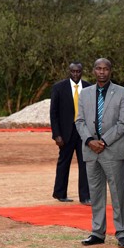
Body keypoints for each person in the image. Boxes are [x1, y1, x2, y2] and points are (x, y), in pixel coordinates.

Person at [75, 58, 124, 247]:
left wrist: (104, 141)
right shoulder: (85, 93)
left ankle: (122, 232)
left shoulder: (122, 92)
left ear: (110, 71)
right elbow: (80, 121)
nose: (101, 72)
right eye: (98, 68)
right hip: (91, 151)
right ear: (93, 71)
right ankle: (97, 232)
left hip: (113, 150)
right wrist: (90, 141)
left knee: (118, 192)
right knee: (96, 193)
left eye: (105, 69)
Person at [50, 62, 91, 204]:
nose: (75, 74)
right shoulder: (58, 88)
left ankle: (85, 196)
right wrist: (56, 134)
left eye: (78, 71)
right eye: (73, 71)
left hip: (84, 132)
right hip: (65, 133)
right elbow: (53, 113)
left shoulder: (89, 87)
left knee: (85, 163)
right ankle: (60, 193)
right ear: (69, 71)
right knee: (63, 163)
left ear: (82, 71)